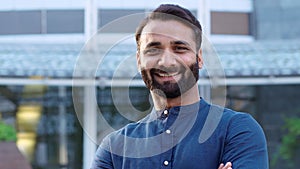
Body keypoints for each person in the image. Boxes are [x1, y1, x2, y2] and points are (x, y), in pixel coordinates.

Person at [91, 4, 268, 169]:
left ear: (199, 58)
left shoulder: (237, 130)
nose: (166, 61)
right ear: (139, 60)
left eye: (180, 48)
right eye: (153, 49)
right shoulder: (114, 148)